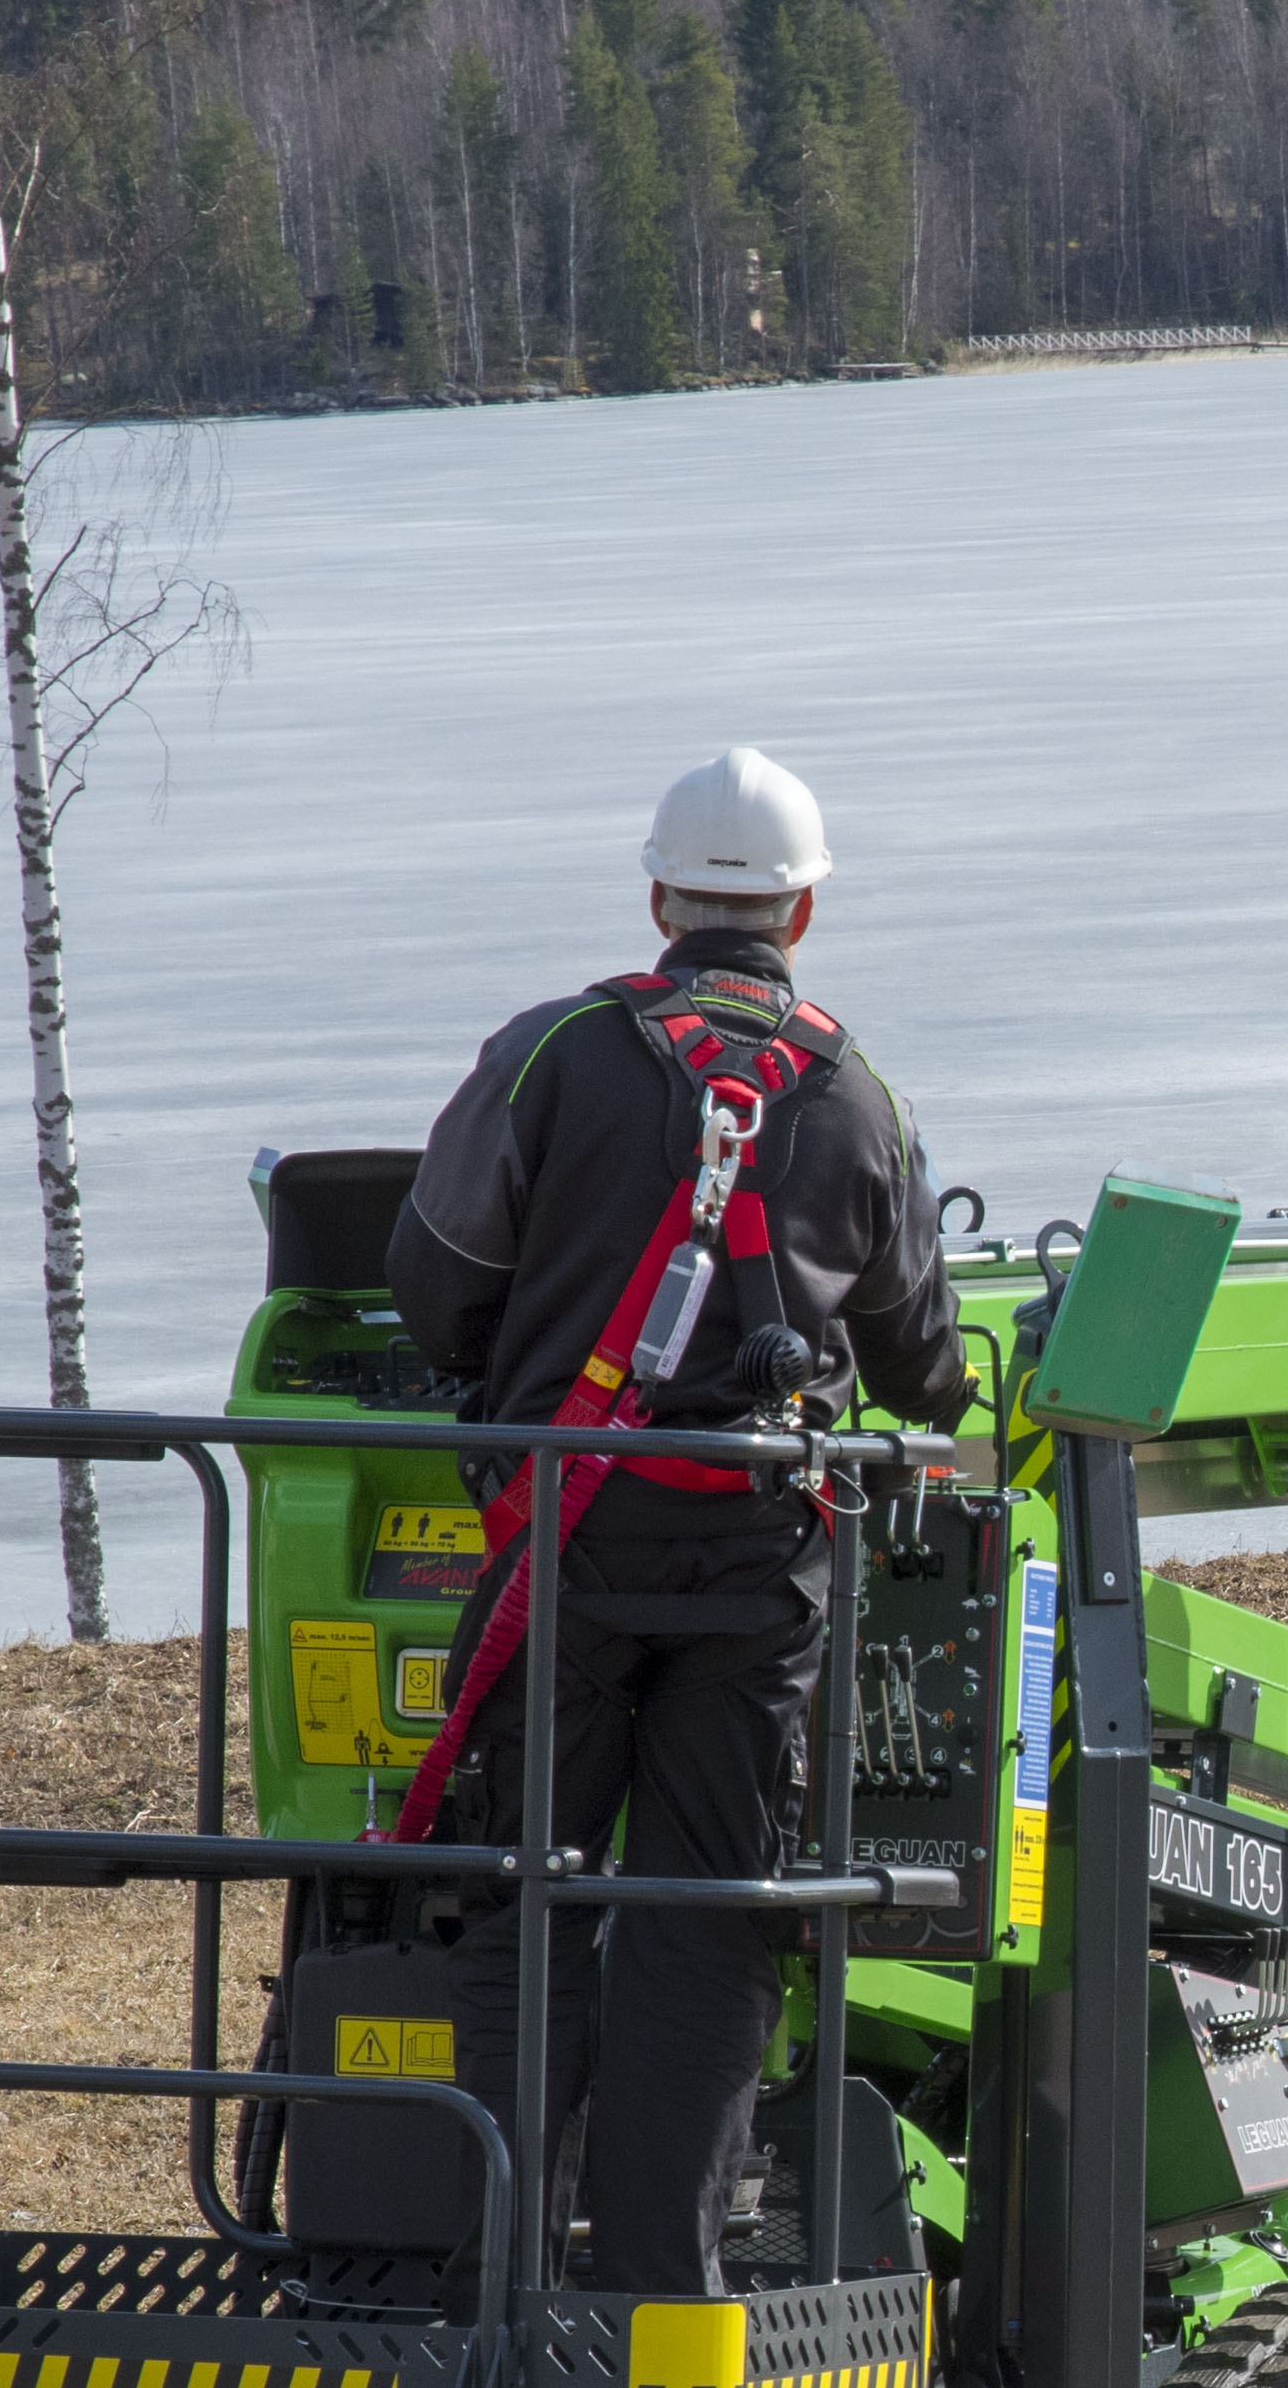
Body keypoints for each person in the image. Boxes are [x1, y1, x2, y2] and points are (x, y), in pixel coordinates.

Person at [388, 746, 974, 2296]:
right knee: (714, 1913)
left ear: (660, 897)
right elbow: (924, 1358)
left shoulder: (553, 1054)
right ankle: (663, 2268)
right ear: (800, 913)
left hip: (561, 1546)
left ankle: (491, 2259)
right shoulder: (856, 1094)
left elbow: (437, 1281)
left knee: (530, 1896)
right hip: (758, 1570)